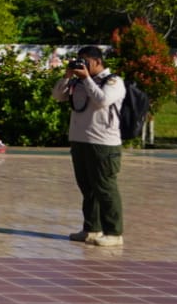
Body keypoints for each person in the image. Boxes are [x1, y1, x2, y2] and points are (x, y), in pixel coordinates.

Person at [52, 45, 127, 246]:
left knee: (105, 188)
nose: (80, 64)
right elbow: (58, 96)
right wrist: (67, 77)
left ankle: (114, 232)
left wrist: (86, 79)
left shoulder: (113, 81)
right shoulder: (78, 82)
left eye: (84, 61)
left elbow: (103, 100)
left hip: (103, 143)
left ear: (96, 61)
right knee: (87, 188)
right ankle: (92, 229)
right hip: (80, 140)